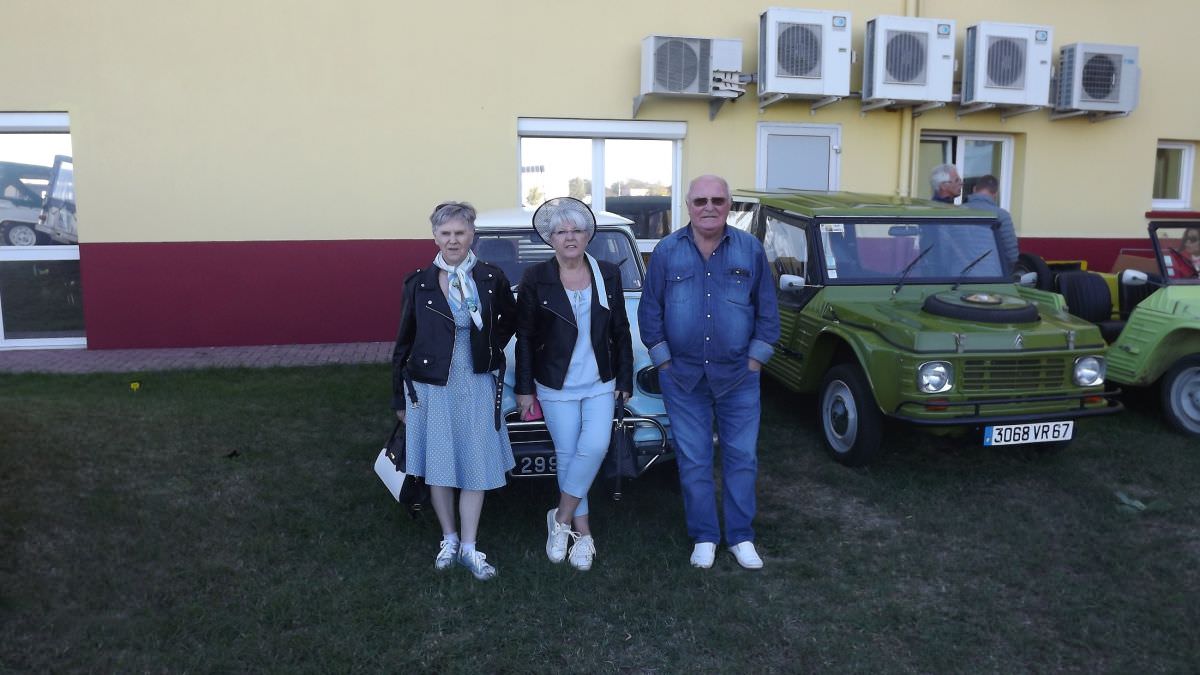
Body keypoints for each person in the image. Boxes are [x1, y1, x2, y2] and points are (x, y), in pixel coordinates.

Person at [638, 175, 780, 570]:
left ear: (729, 205)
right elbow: (650, 311)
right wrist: (664, 362)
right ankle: (704, 536)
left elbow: (768, 311)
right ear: (688, 205)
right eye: (700, 200)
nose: (709, 207)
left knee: (742, 457)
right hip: (682, 378)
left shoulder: (750, 249)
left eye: (718, 200)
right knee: (694, 460)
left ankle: (740, 536)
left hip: (739, 377)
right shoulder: (666, 251)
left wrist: (755, 361)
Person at [391, 201, 517, 581]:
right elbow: (403, 343)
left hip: (475, 382)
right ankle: (448, 538)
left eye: (460, 232)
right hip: (431, 387)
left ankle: (469, 546)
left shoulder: (491, 278)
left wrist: (489, 350)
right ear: (434, 236)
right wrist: (398, 398)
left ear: (472, 234)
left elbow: (509, 321)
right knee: (439, 467)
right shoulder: (419, 283)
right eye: (445, 233)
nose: (453, 240)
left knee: (476, 463)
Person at [515, 197, 633, 572]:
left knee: (595, 446)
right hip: (555, 383)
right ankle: (583, 534)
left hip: (600, 381)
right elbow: (524, 336)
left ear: (587, 236)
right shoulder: (536, 277)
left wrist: (625, 377)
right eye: (561, 231)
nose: (570, 237)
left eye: (577, 230)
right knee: (568, 456)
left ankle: (561, 519)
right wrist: (524, 388)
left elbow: (621, 329)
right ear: (550, 238)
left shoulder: (607, 274)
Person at [963, 175, 1019, 275]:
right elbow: (1011, 255)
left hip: (957, 274)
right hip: (991, 275)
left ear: (974, 189)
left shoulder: (958, 212)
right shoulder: (1002, 215)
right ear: (995, 194)